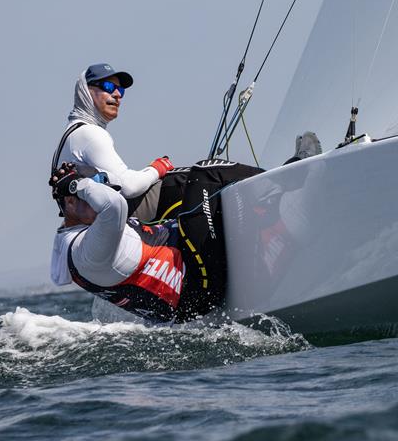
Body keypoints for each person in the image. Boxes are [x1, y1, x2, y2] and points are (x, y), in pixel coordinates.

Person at [48, 160, 262, 323]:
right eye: (96, 190)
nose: (104, 193)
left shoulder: (71, 242)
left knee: (177, 184)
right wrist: (79, 185)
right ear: (70, 201)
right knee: (205, 172)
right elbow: (114, 206)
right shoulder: (88, 248)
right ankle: (279, 178)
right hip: (198, 284)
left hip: (186, 303)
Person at [52, 63, 174, 221]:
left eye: (121, 90)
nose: (117, 94)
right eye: (108, 86)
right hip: (99, 231)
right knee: (179, 184)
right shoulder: (89, 133)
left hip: (84, 230)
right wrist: (158, 168)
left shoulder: (73, 132)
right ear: (85, 92)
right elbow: (128, 186)